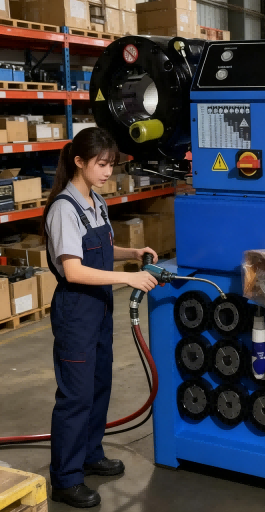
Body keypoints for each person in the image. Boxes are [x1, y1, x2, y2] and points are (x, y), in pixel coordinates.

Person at [41, 127, 159, 508]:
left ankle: (90, 454)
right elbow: (73, 270)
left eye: (112, 165)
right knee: (75, 396)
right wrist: (128, 278)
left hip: (99, 308)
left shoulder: (96, 201)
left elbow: (103, 247)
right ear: (79, 161)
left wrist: (131, 253)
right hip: (76, 311)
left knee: (98, 386)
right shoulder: (64, 209)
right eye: (102, 164)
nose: (108, 172)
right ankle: (66, 479)